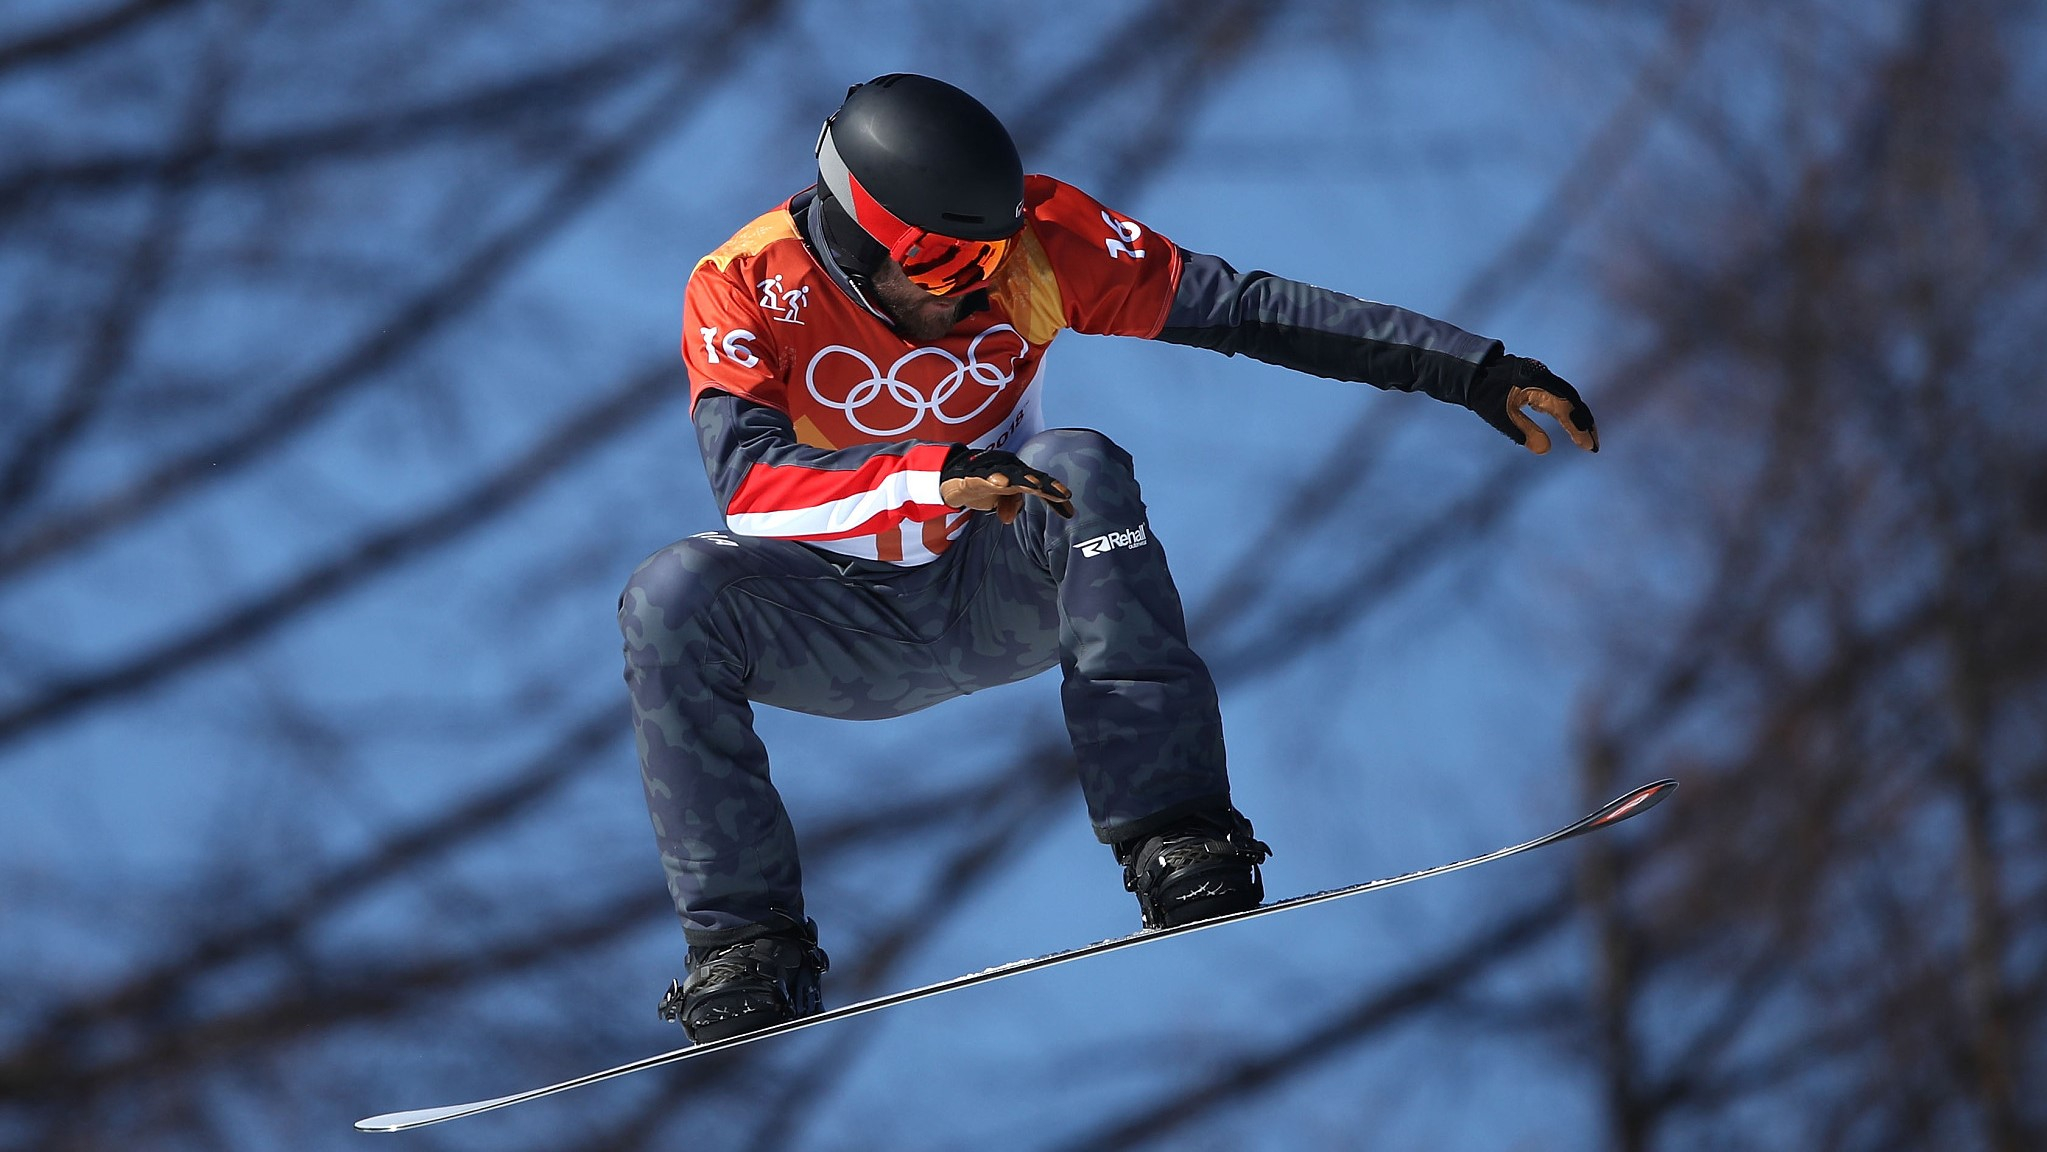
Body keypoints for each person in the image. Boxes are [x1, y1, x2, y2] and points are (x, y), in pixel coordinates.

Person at [621, 73, 1599, 1043]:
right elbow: (750, 487)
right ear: (852, 235)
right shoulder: (745, 284)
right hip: (834, 618)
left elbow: (1246, 308)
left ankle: (1177, 831)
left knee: (1076, 464)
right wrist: (932, 478)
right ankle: (748, 950)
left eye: (987, 256)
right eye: (935, 259)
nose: (968, 285)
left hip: (1003, 580)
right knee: (670, 595)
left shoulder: (1043, 250)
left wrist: (1468, 369)